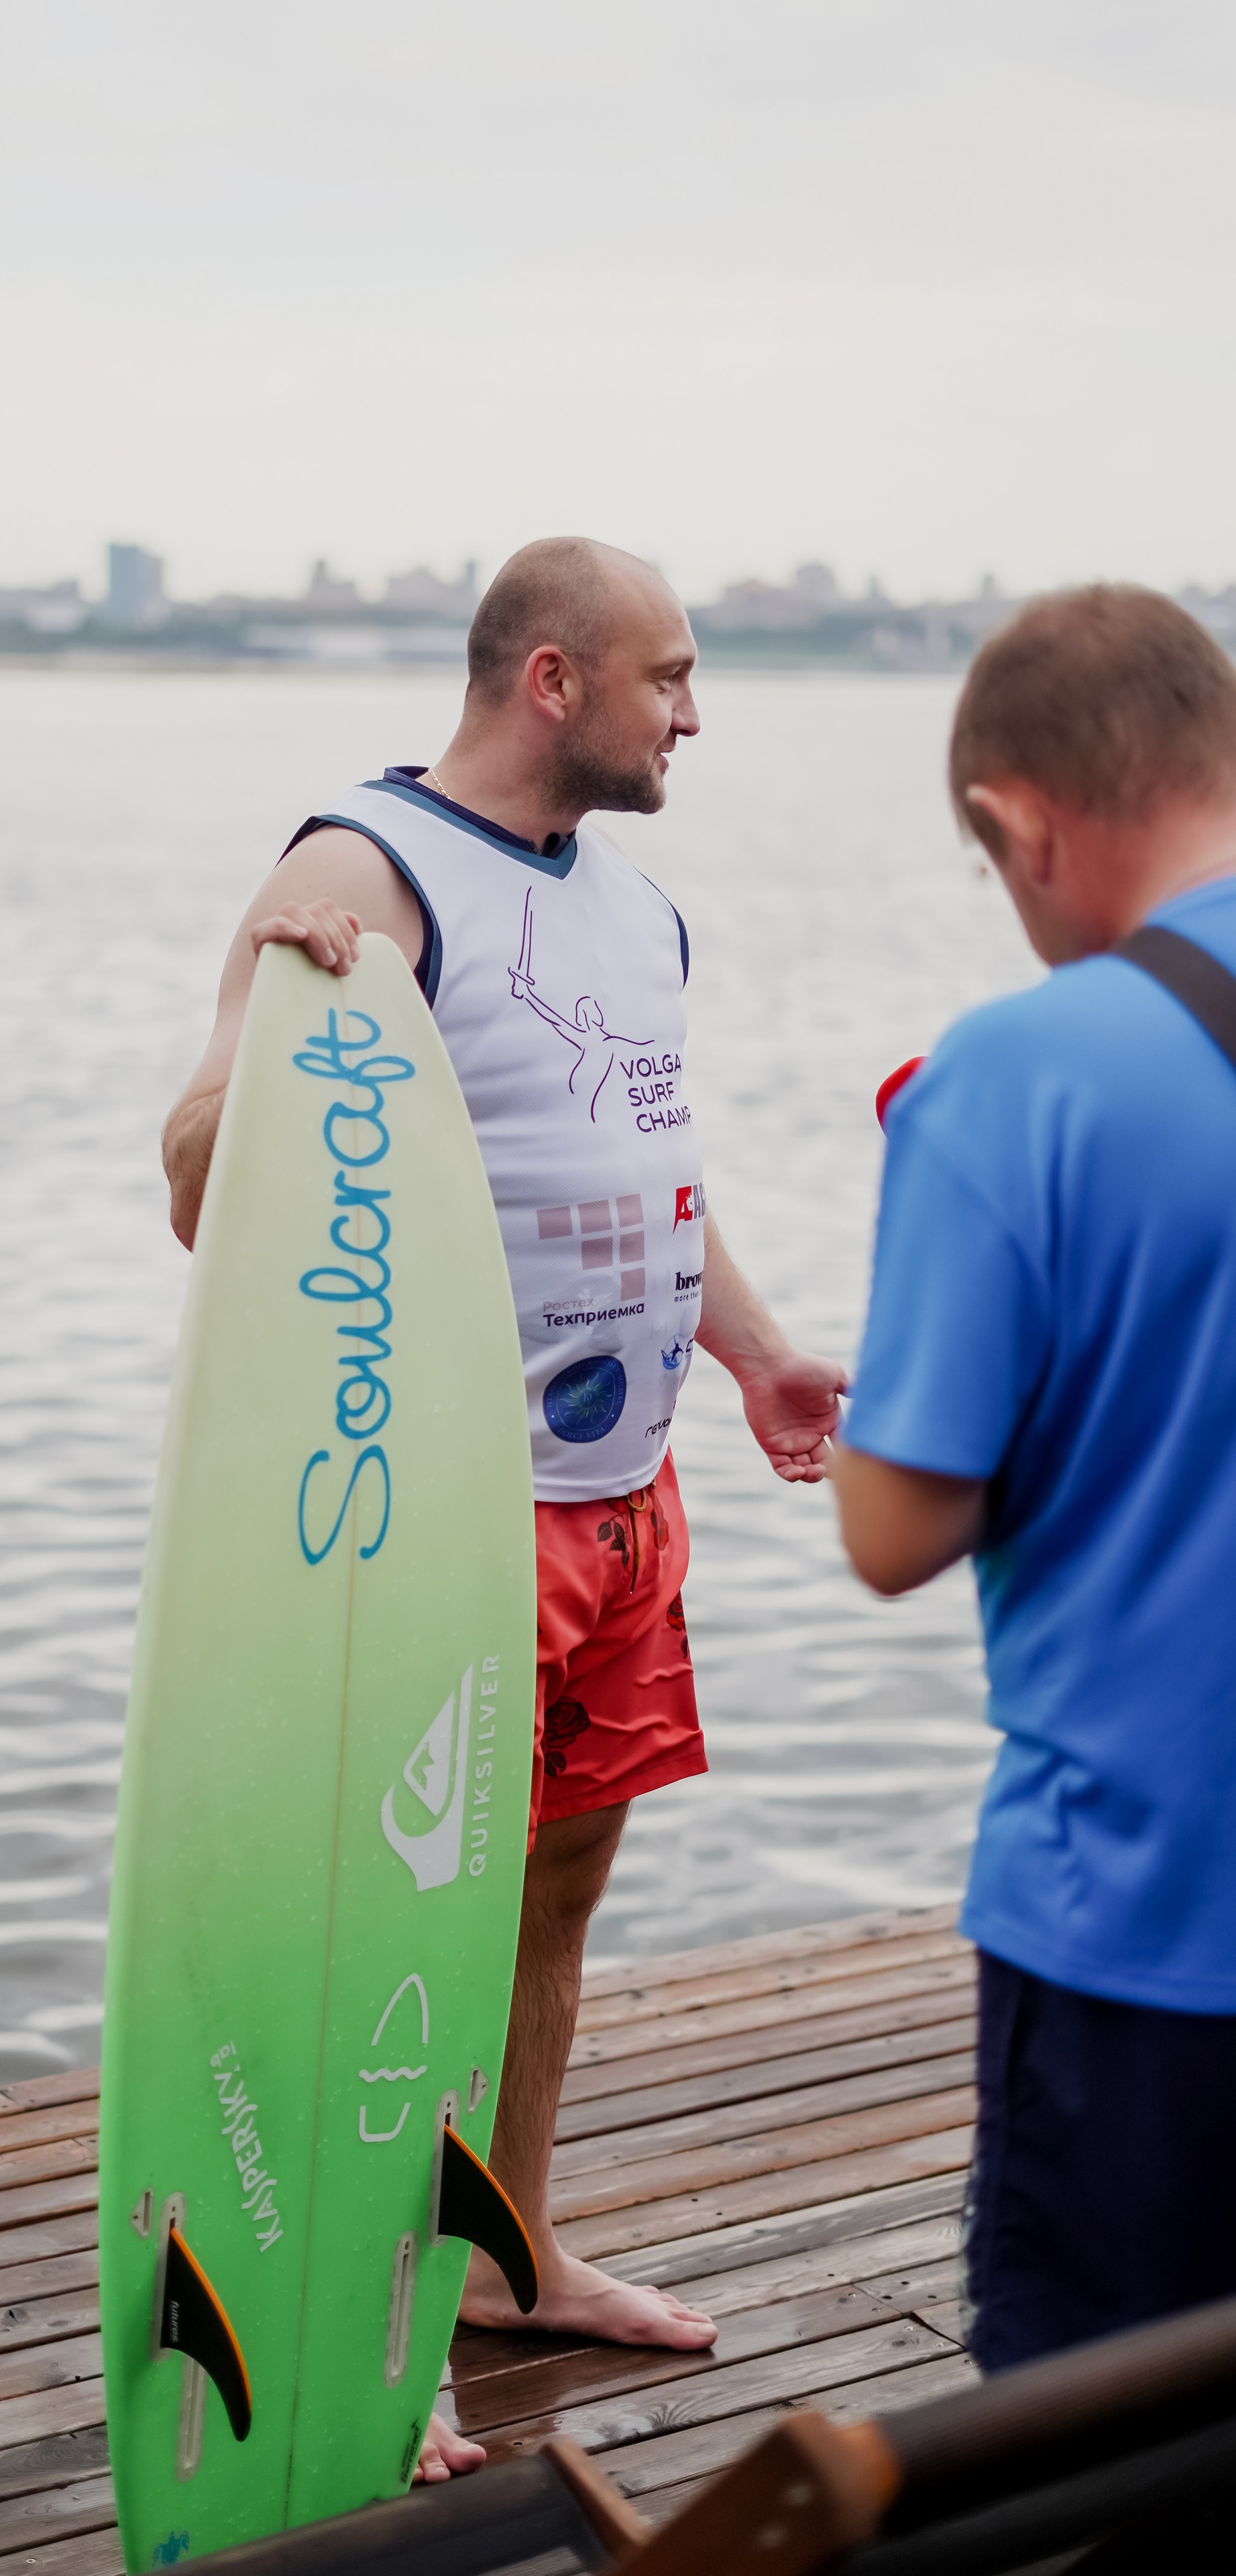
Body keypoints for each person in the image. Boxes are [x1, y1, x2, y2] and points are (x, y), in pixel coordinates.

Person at [163, 537, 846, 2475]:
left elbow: (636, 1161)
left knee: (557, 1885)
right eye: (670, 677)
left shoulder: (640, 910)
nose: (695, 714)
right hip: (442, 1513)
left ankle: (495, 2261)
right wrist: (290, 1030)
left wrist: (756, 1354)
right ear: (555, 679)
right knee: (374, 1920)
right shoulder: (362, 871)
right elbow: (199, 1176)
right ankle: (328, 2327)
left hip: (625, 1491)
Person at [834, 586, 1236, 2374]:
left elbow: (893, 1525)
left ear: (1021, 824)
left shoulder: (1013, 1076)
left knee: (1103, 2458)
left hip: (1144, 1936)